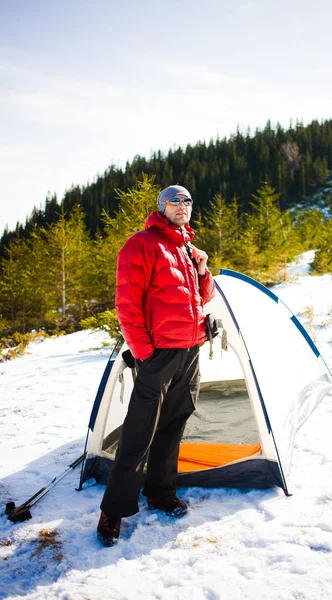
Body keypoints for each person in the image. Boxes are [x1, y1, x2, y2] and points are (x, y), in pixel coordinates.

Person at [97, 184, 216, 546]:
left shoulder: (188, 247)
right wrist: (144, 352)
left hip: (190, 348)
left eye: (188, 201)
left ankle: (160, 491)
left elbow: (203, 297)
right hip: (158, 353)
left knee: (174, 422)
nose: (183, 205)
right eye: (175, 201)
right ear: (162, 207)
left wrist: (203, 269)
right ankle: (113, 511)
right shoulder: (141, 244)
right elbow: (127, 303)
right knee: (139, 431)